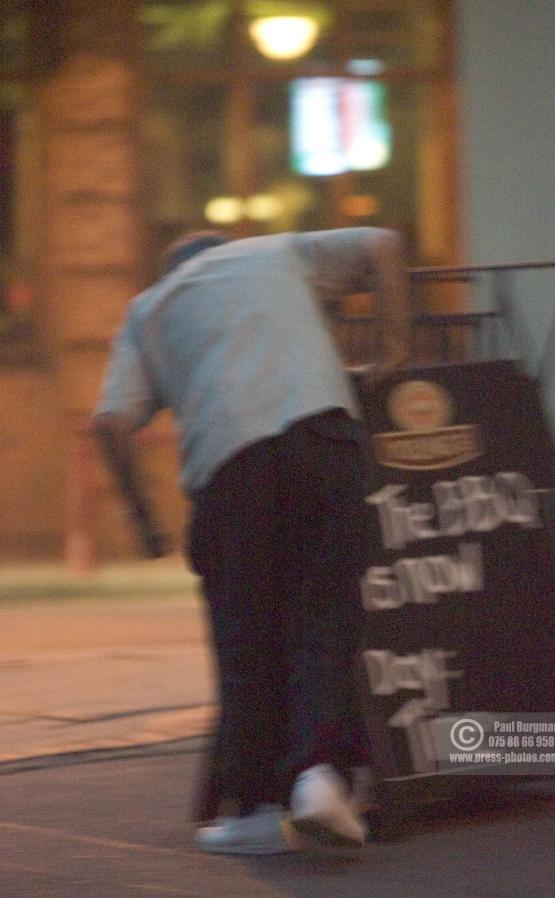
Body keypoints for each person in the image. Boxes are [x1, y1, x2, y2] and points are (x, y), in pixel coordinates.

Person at [92, 227, 409, 855]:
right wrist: (390, 356)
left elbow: (110, 423)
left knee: (248, 636)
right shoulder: (274, 252)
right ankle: (320, 779)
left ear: (172, 270)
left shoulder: (148, 308)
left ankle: (260, 806)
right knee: (325, 614)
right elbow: (385, 245)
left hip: (235, 467)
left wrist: (143, 518)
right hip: (326, 437)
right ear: (225, 249)